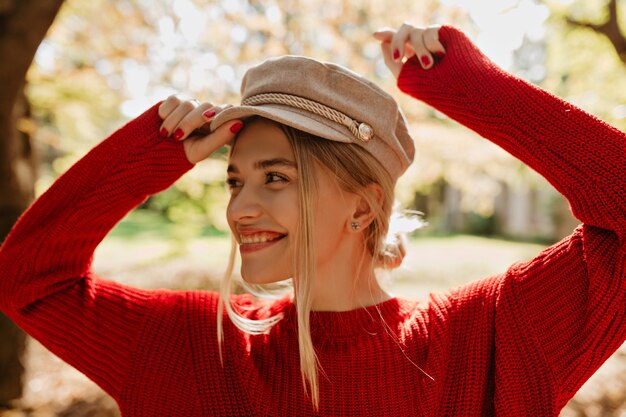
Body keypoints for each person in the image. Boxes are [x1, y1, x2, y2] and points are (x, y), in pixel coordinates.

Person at [0, 22, 624, 416]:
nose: (240, 207)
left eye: (276, 178)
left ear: (365, 204)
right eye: (235, 178)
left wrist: (471, 88)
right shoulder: (192, 345)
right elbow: (29, 278)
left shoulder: (487, 338)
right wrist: (147, 156)